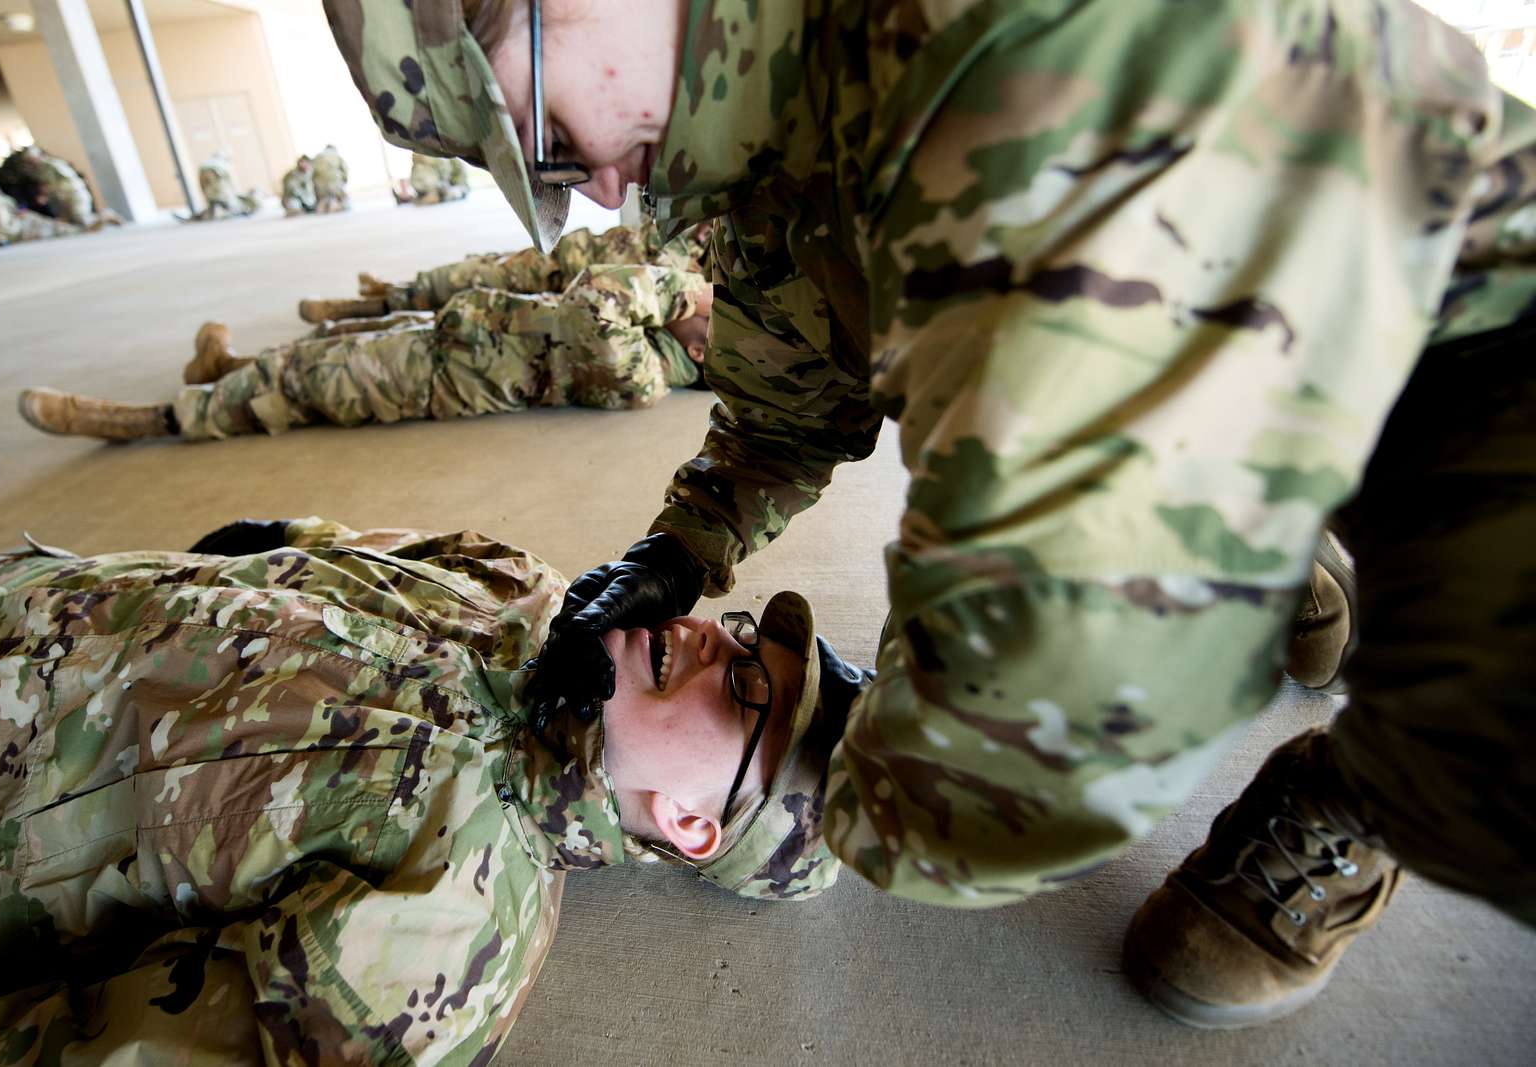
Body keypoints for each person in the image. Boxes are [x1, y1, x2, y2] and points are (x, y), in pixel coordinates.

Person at [324, 0, 1536, 1030]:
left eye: (536, 137)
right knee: (1151, 443)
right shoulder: (748, 126)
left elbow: (1042, 723)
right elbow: (790, 407)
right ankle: (1263, 519)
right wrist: (677, 549)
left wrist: (822, 777)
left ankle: (1363, 782)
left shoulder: (997, 72)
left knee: (1489, 767)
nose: (582, 189)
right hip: (1238, 344)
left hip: (1477, 342)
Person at [0, 515, 863, 1063]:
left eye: (748, 692)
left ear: (694, 826)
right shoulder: (536, 594)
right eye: (745, 635)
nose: (713, 637)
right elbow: (335, 548)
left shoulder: (442, 934)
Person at [16, 261, 714, 443]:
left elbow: (598, 299)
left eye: (711, 315)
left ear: (703, 350)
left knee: (295, 389)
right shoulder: (658, 341)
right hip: (449, 340)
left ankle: (137, 420)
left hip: (431, 377)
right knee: (320, 352)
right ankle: (222, 369)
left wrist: (687, 291)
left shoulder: (643, 374)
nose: (705, 304)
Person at [298, 218, 710, 323]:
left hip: (595, 299)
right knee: (474, 272)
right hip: (569, 258)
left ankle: (367, 311)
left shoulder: (728, 292)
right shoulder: (721, 232)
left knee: (474, 315)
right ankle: (386, 295)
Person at [0, 178, 81, 249]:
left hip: (13, 223)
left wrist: (20, 213)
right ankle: (72, 230)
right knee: (41, 229)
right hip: (3, 231)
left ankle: (73, 229)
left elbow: (13, 210)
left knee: (36, 220)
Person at [190, 154, 260, 221]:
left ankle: (216, 211)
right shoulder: (220, 165)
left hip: (219, 194)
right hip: (221, 193)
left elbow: (204, 184)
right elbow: (228, 184)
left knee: (221, 200)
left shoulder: (208, 166)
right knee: (223, 200)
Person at [409, 151, 474, 205]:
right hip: (437, 184)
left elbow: (460, 177)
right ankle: (440, 193)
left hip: (447, 184)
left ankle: (440, 193)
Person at [313, 144, 351, 213]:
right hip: (335, 182)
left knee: (324, 198)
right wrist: (344, 180)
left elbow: (312, 172)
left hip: (320, 185)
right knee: (343, 199)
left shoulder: (317, 157)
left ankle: (323, 208)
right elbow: (345, 169)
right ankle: (334, 206)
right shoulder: (336, 156)